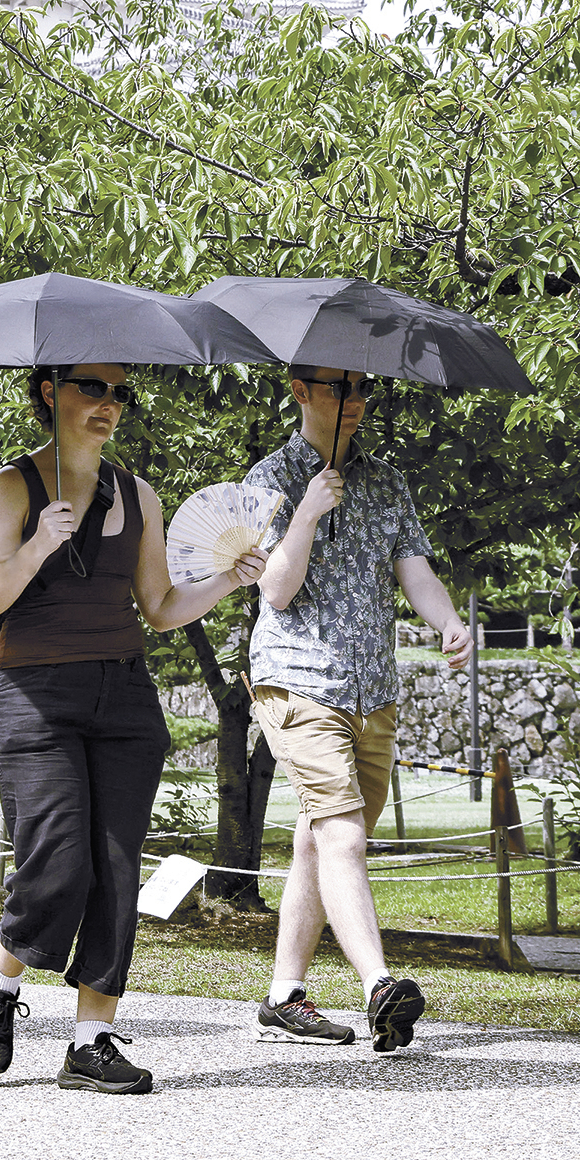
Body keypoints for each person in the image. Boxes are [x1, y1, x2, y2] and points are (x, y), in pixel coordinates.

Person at [0, 363, 266, 1094]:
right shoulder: (13, 487)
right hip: (34, 693)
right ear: (48, 392)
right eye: (91, 388)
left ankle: (90, 1041)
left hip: (123, 697)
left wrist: (231, 579)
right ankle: (1, 977)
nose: (107, 404)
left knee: (115, 869)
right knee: (57, 865)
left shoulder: (138, 495)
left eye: (119, 393)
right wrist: (35, 545)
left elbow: (158, 605)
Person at [244, 366, 471, 1053]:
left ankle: (283, 996)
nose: (354, 402)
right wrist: (307, 509)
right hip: (297, 679)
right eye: (338, 388)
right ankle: (380, 985)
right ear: (299, 391)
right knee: (343, 834)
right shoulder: (267, 481)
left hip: (373, 689)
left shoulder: (386, 480)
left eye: (362, 388)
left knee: (319, 840)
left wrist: (447, 623)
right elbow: (275, 592)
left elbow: (416, 572)